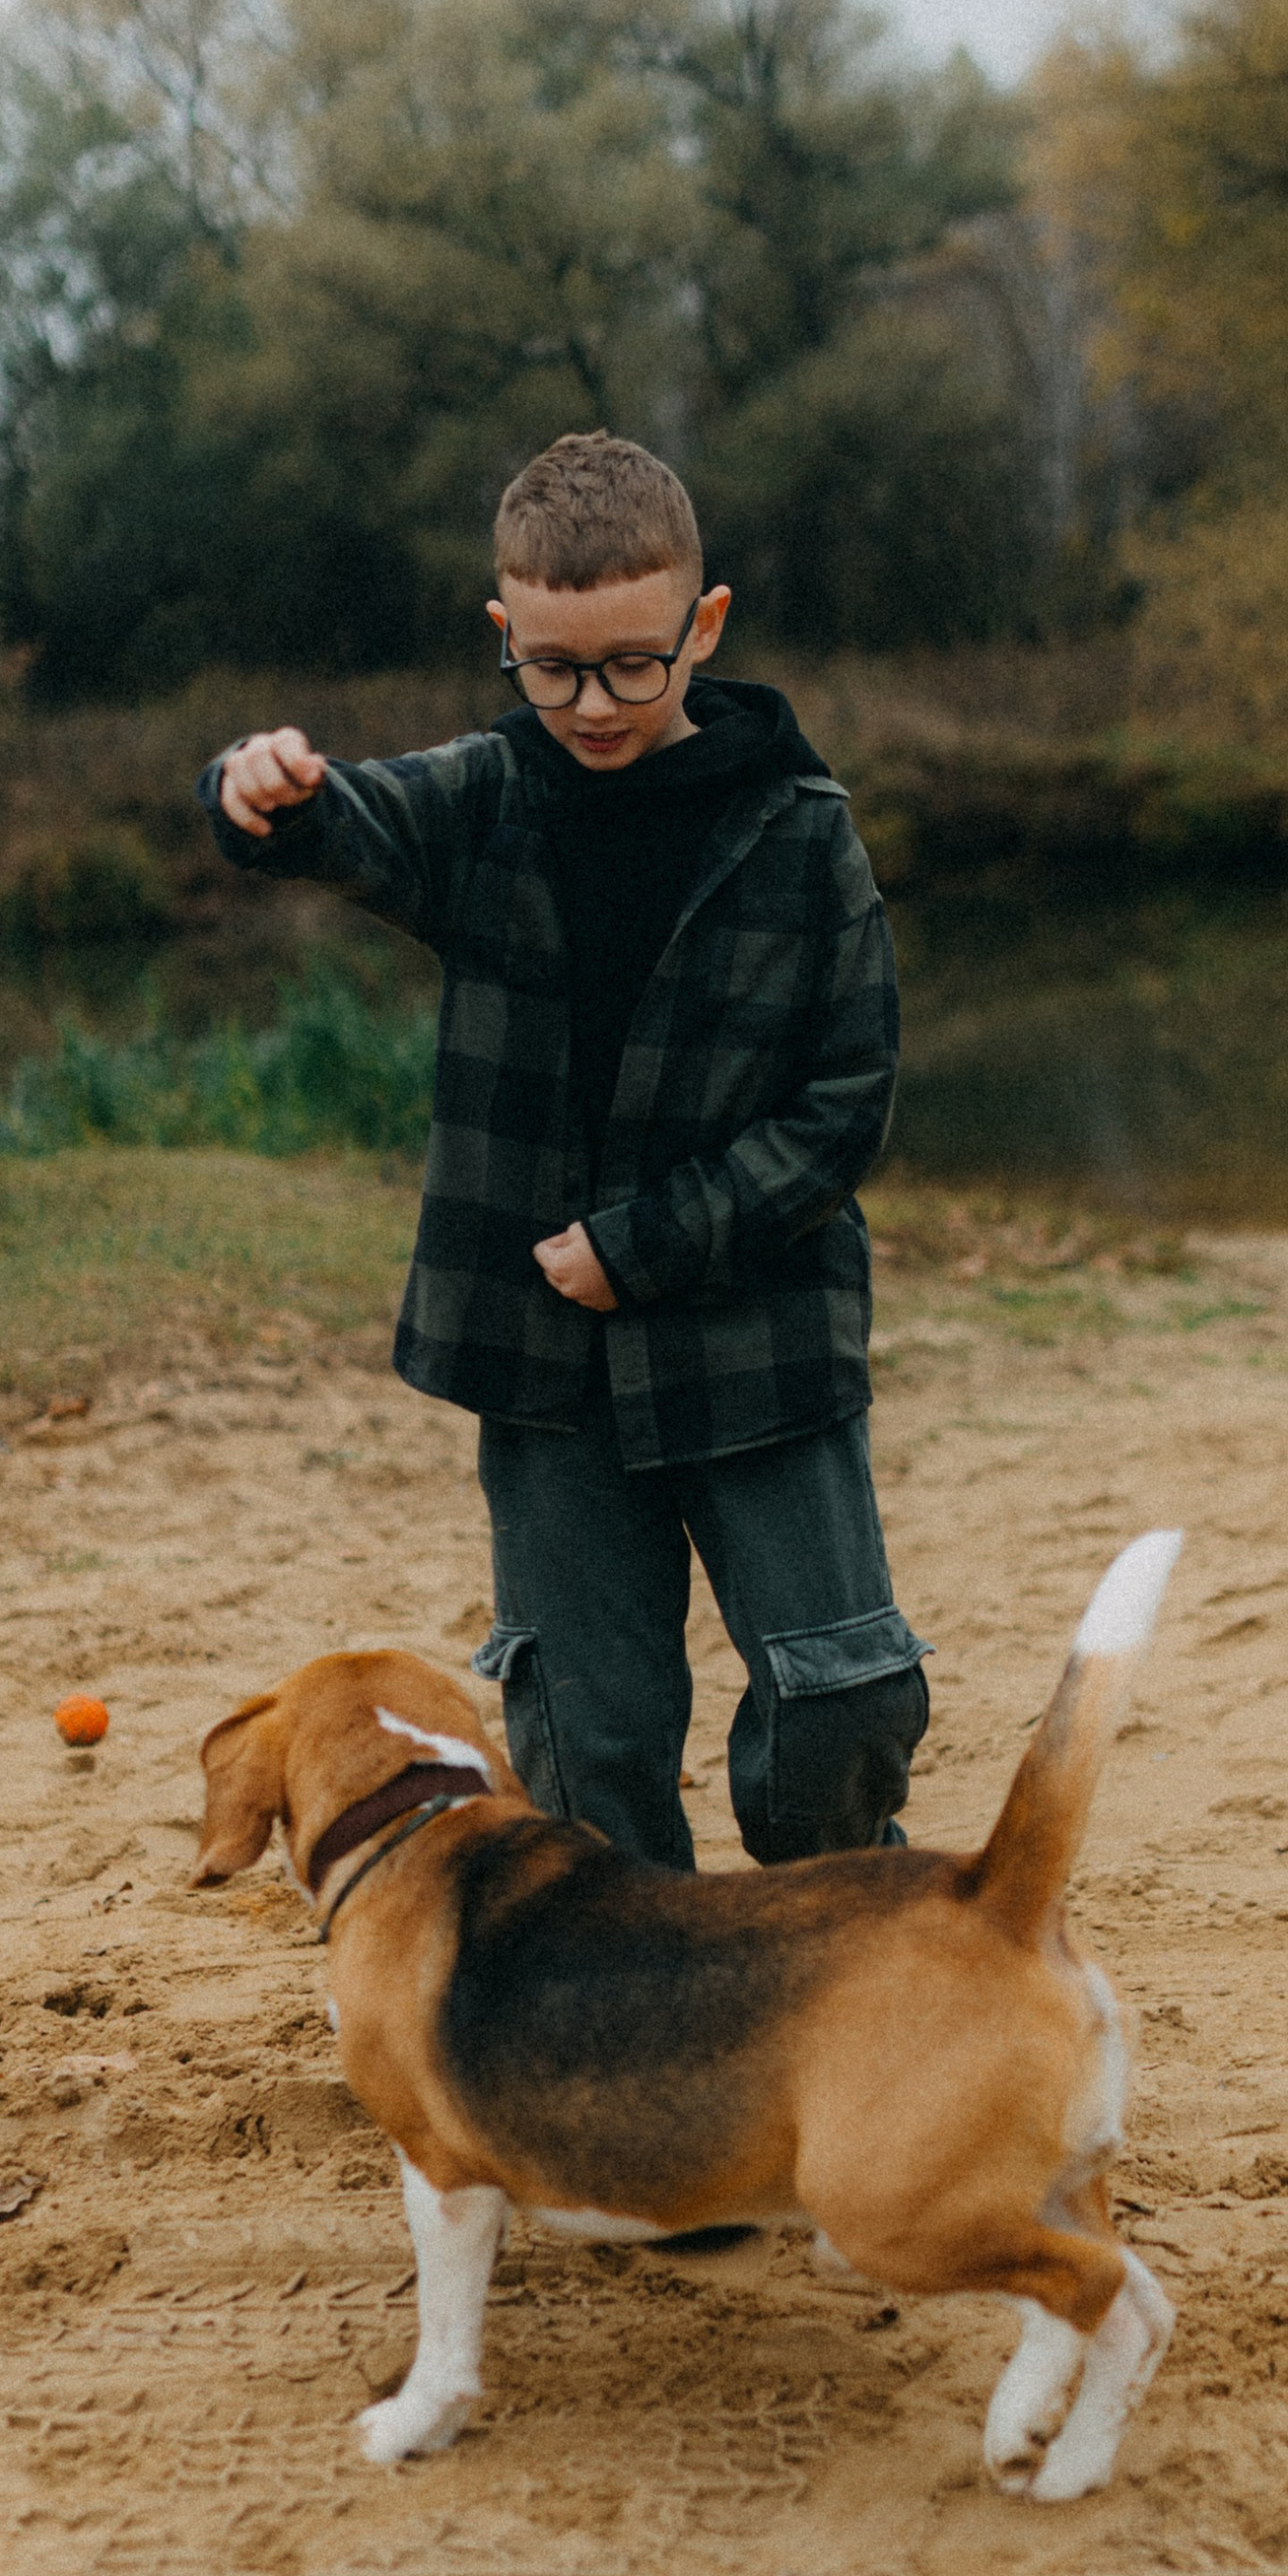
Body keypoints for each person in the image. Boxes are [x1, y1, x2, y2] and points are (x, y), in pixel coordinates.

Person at [199, 429, 927, 1874]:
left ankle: (830, 1931)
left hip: (759, 1336)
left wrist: (642, 1244)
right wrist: (256, 782)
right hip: (545, 1367)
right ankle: (639, 1996)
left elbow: (843, 1109)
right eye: (551, 666)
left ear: (702, 627)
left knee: (840, 1708)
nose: (591, 702)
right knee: (592, 1736)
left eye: (633, 664)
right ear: (505, 634)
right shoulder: (482, 802)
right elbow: (343, 818)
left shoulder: (802, 833)